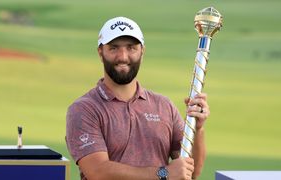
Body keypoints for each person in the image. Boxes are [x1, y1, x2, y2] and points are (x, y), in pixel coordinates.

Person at [66, 16, 210, 180]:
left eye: (131, 48)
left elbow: (191, 172)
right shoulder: (84, 109)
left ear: (142, 51)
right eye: (114, 48)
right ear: (100, 52)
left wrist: (198, 129)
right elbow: (99, 172)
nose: (123, 56)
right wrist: (164, 173)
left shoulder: (164, 106)